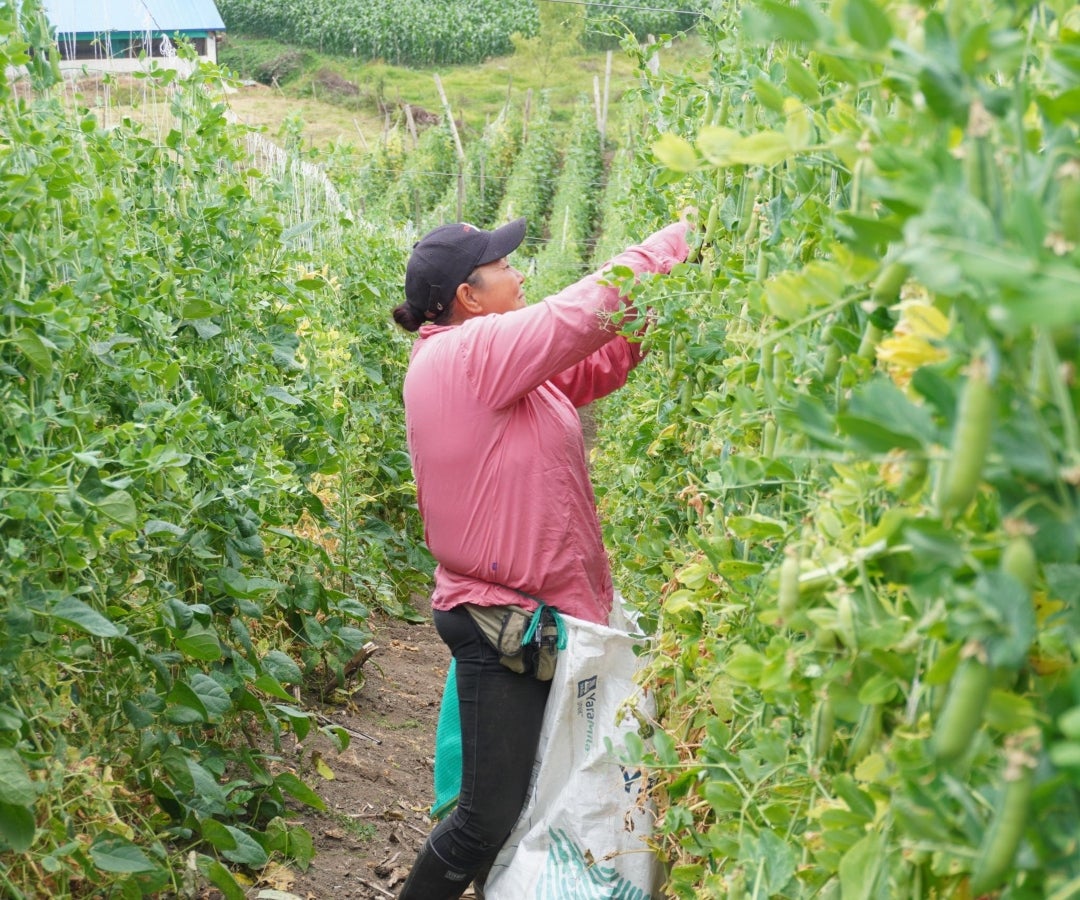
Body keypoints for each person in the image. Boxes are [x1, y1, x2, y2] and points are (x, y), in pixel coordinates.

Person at [391, 215, 690, 899]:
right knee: (485, 818)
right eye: (504, 265)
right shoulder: (467, 356)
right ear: (469, 295)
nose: (519, 273)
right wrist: (678, 242)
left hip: (536, 614)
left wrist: (669, 304)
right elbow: (580, 314)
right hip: (506, 620)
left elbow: (597, 359)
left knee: (525, 803)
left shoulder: (502, 370)